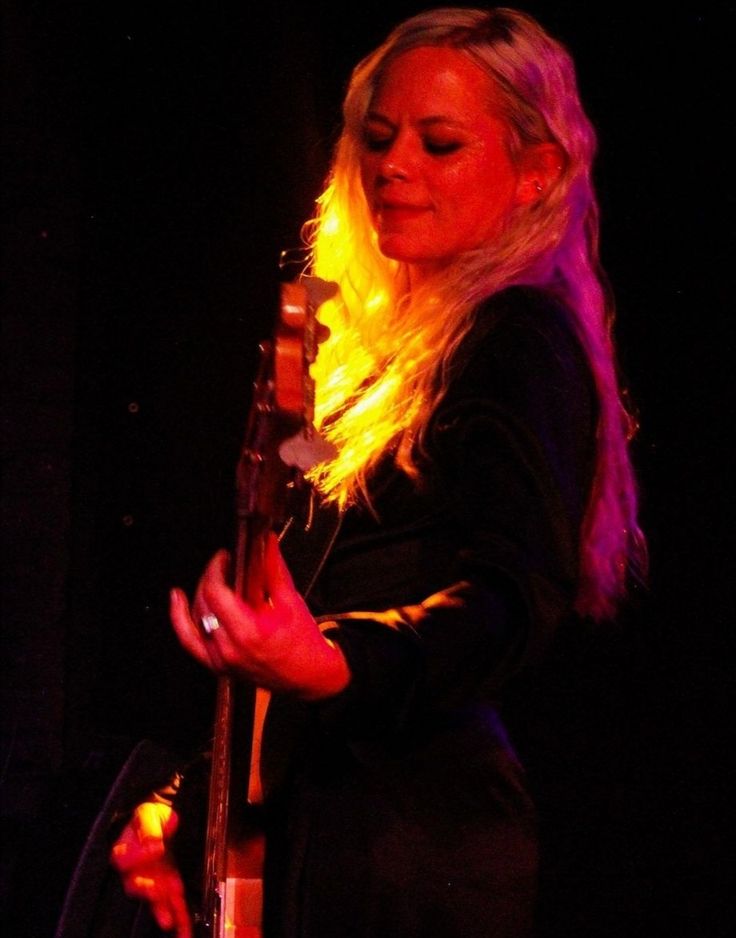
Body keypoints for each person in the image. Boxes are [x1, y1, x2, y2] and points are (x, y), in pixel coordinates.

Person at [109, 6, 646, 937]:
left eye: (440, 144)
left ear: (536, 172)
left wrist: (332, 661)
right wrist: (186, 805)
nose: (393, 165)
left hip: (415, 849)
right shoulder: (361, 358)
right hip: (324, 830)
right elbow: (305, 609)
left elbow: (512, 598)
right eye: (380, 136)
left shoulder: (519, 338)